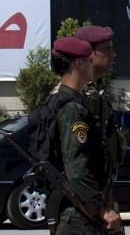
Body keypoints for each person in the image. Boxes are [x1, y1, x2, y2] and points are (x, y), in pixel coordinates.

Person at [44, 37, 122, 234]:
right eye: (88, 60)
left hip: (81, 212)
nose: (91, 64)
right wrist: (101, 210)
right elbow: (77, 167)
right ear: (78, 63)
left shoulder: (69, 102)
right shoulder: (72, 109)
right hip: (79, 217)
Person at [74, 25, 126, 221]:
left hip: (102, 196)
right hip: (83, 207)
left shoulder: (98, 94)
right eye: (107, 49)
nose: (113, 55)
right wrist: (98, 209)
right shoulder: (75, 98)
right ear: (89, 54)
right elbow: (76, 162)